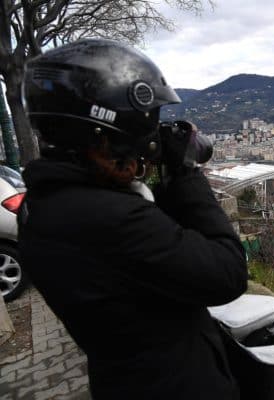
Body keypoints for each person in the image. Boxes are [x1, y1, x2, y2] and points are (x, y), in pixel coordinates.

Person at [18, 39, 248, 399]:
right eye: (143, 125)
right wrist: (184, 172)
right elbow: (227, 274)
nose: (148, 137)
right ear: (105, 132)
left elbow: (150, 260)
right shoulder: (111, 219)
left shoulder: (40, 206)